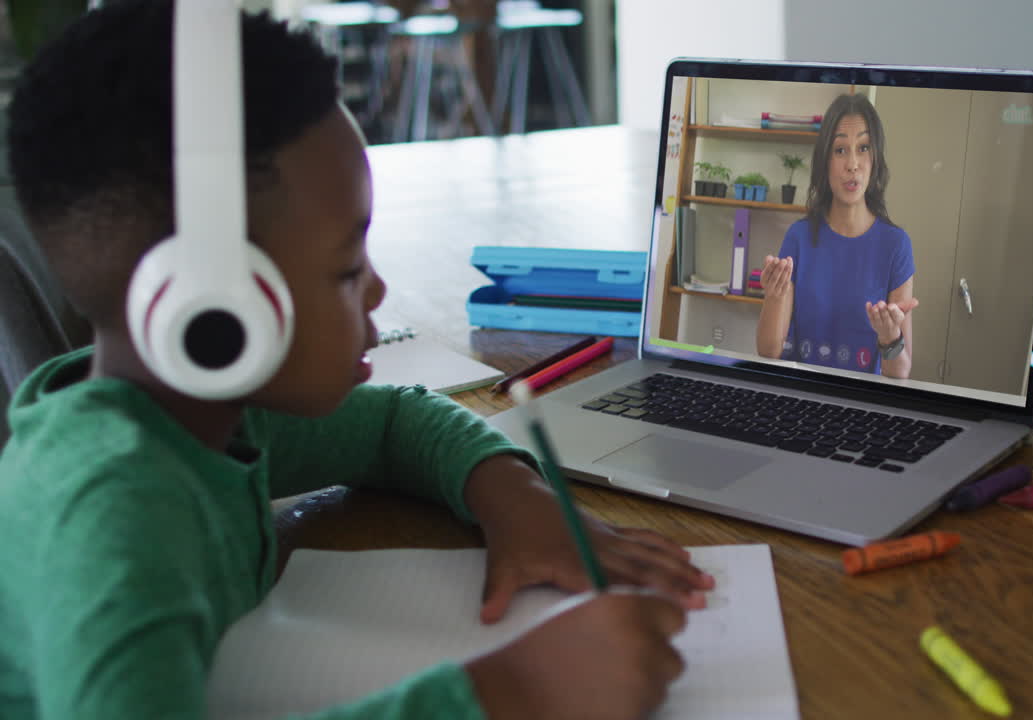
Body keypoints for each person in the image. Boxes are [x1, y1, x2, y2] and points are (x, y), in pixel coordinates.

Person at [0, 2, 712, 719]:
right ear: (215, 312)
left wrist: (517, 501)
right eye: (346, 269)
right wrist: (510, 694)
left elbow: (392, 422)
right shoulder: (113, 519)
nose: (376, 288)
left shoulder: (203, 418)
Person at [755, 93, 919, 379]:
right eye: (840, 149)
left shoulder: (896, 246)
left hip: (861, 405)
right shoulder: (799, 237)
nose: (852, 164)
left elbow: (901, 370)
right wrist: (773, 297)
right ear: (825, 160)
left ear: (876, 158)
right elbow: (768, 351)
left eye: (863, 147)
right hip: (800, 397)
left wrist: (890, 336)